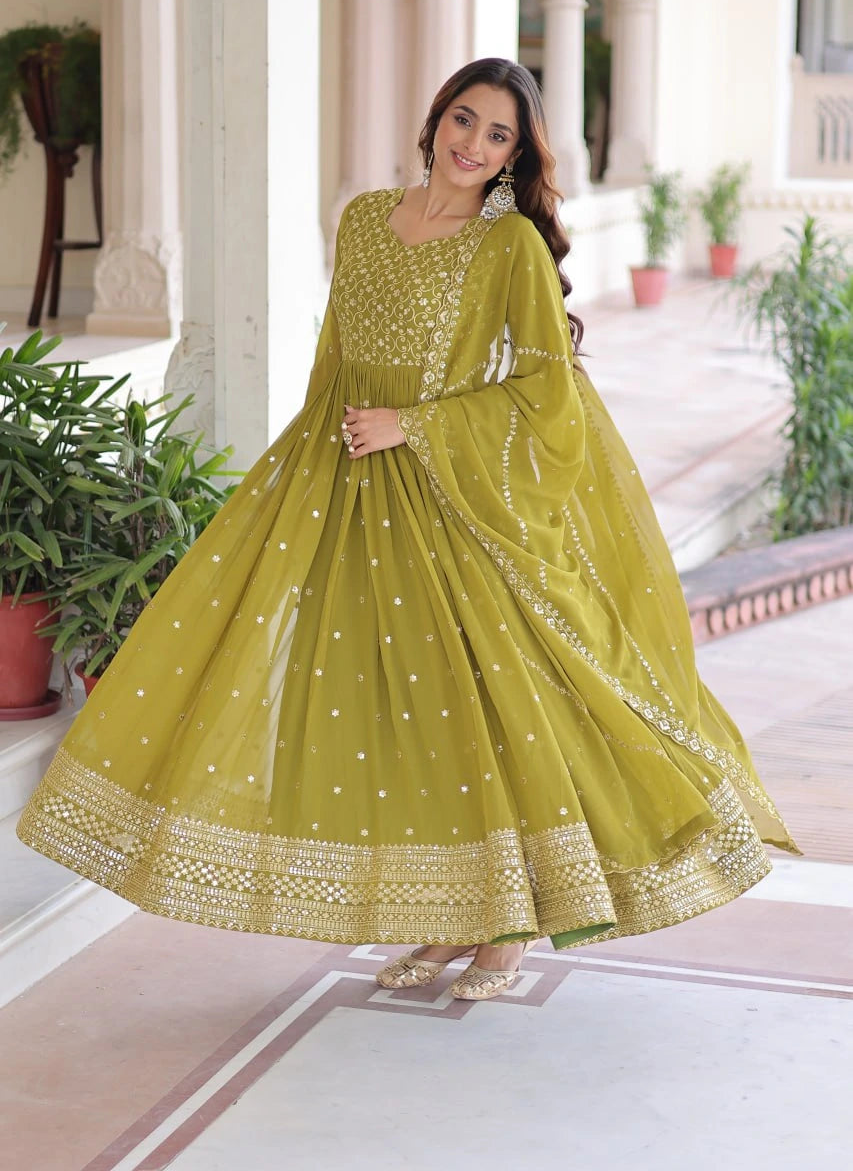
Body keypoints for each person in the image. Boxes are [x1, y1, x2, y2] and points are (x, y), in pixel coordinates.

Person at [17, 58, 799, 1003]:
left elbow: (546, 390)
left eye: (497, 134)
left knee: (483, 712)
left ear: (516, 155)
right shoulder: (360, 220)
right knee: (399, 714)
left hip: (452, 503)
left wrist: (417, 426)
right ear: (434, 120)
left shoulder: (506, 248)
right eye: (462, 120)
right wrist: (306, 469)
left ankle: (506, 928)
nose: (471, 144)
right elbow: (335, 358)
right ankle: (442, 918)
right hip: (345, 490)